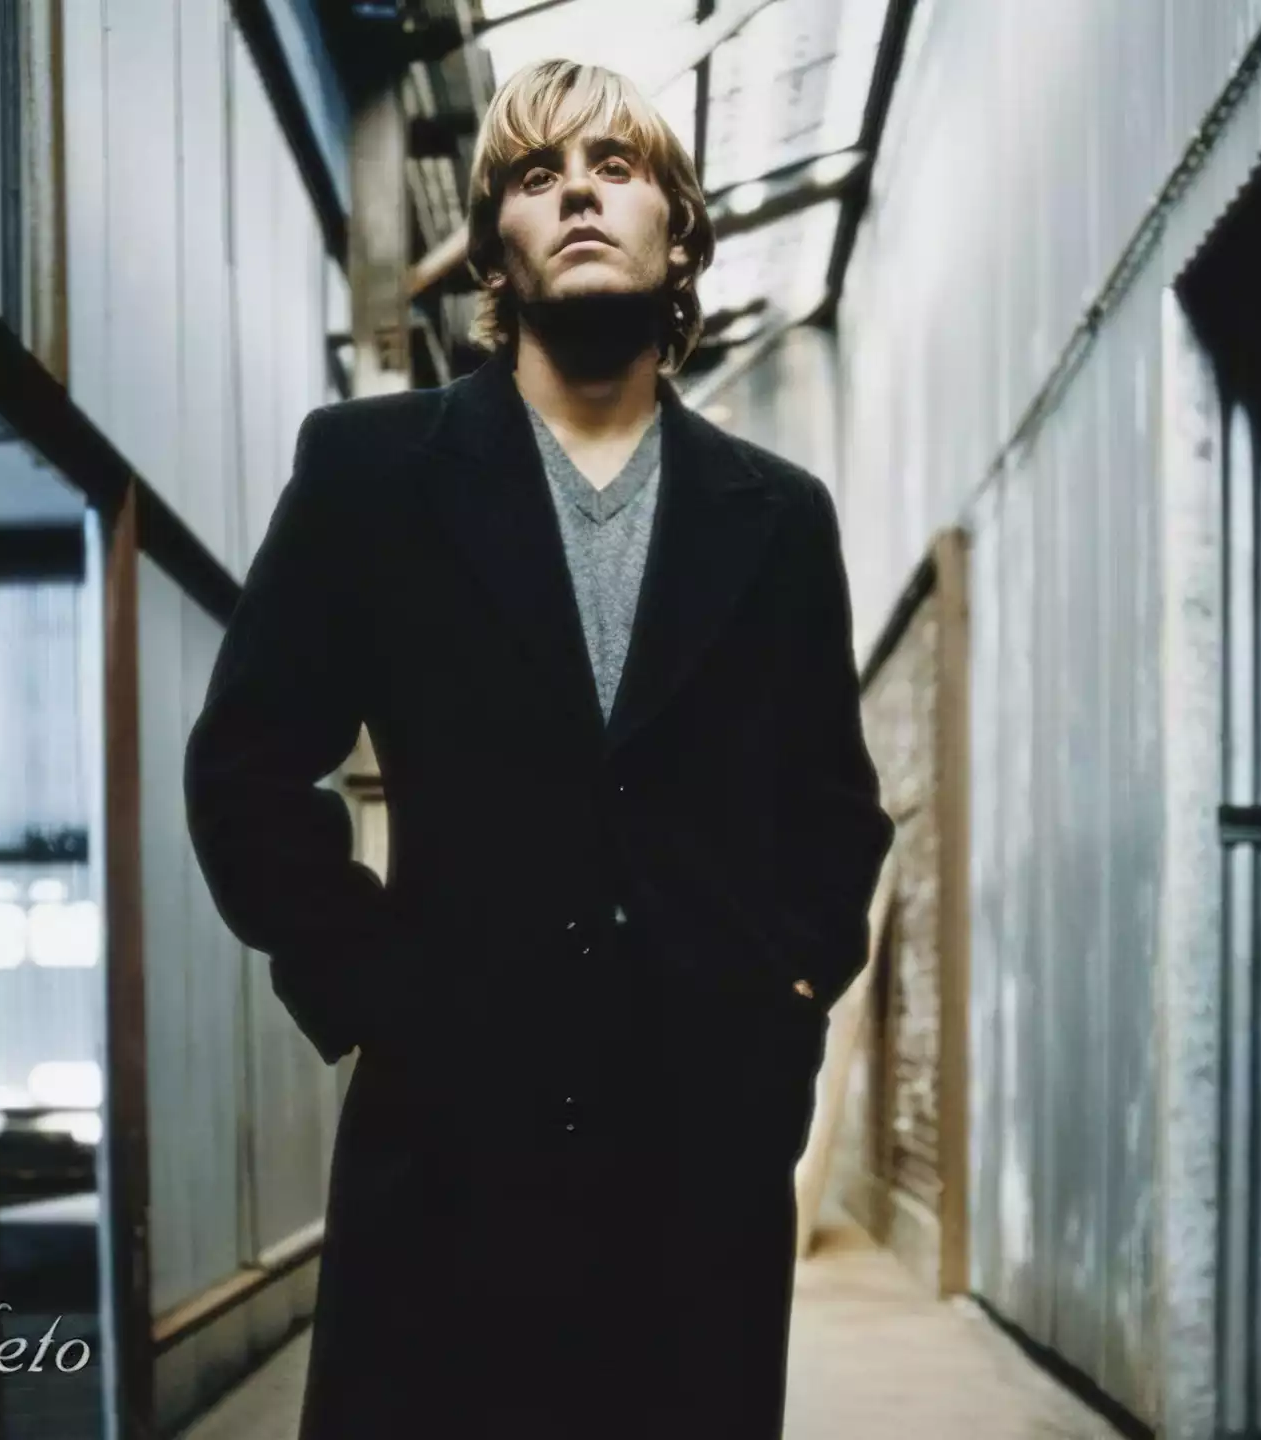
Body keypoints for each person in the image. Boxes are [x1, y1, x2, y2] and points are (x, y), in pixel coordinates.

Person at [183, 56, 893, 1440]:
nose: (576, 193)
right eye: (533, 173)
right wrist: (376, 989)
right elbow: (245, 768)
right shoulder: (372, 474)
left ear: (678, 235)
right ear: (494, 245)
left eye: (615, 168)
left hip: (700, 1162)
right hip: (449, 1145)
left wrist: (781, 1017)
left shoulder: (777, 514)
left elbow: (834, 813)